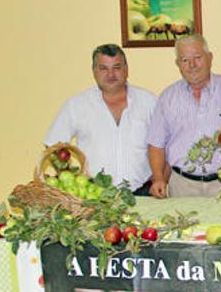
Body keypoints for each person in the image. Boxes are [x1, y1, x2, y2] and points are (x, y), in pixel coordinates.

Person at [146, 34, 221, 198]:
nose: (192, 65)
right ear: (178, 64)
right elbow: (156, 143)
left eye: (197, 57)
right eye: (184, 60)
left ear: (210, 58)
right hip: (182, 186)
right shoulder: (168, 97)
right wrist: (158, 178)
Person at [45, 44, 156, 195]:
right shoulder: (76, 105)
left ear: (126, 69)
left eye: (117, 67)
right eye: (103, 68)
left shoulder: (149, 102)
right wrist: (69, 181)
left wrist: (160, 178)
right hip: (94, 195)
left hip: (143, 192)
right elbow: (53, 147)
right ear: (94, 71)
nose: (111, 74)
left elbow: (168, 144)